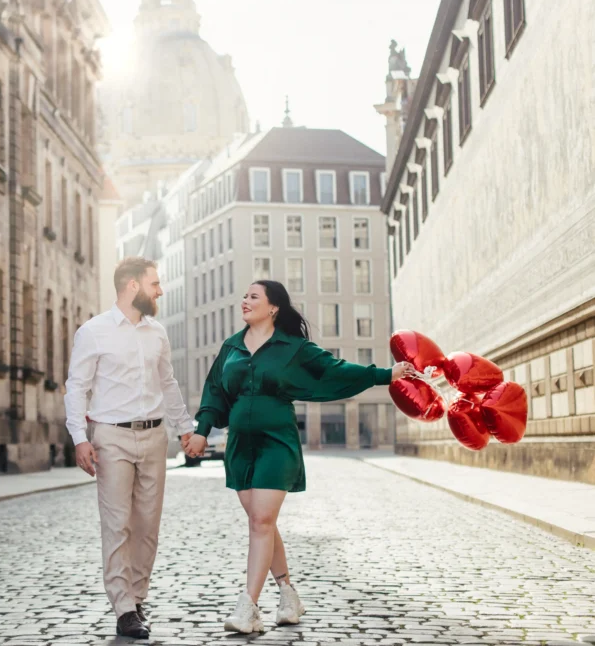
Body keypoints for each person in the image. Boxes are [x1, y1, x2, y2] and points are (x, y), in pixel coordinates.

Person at [184, 279, 412, 633]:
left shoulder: (294, 347)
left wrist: (385, 374)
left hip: (277, 441)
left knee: (260, 521)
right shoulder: (231, 346)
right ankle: (288, 594)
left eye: (253, 296)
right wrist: (201, 432)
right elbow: (214, 390)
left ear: (273, 307)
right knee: (263, 522)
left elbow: (334, 370)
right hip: (240, 445)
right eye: (244, 295)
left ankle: (248, 608)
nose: (244, 300)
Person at [64, 257, 193, 640]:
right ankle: (124, 608)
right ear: (132, 286)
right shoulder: (93, 331)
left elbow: (167, 383)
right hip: (111, 437)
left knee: (148, 526)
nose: (160, 291)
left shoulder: (157, 333)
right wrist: (79, 437)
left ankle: (137, 598)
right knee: (117, 523)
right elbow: (77, 387)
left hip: (155, 436)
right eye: (154, 283)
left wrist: (184, 428)